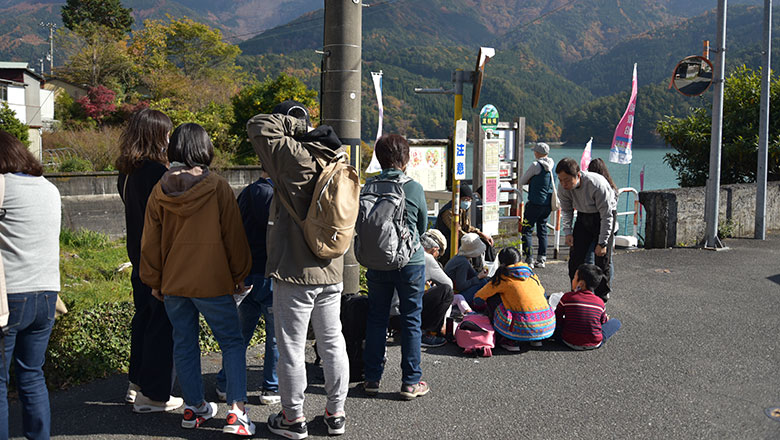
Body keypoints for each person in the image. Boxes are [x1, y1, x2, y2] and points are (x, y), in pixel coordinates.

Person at [140, 123, 255, 435]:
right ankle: (236, 412)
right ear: (204, 148)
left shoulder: (159, 189)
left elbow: (149, 241)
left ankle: (193, 408)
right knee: (231, 342)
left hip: (174, 284)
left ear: (175, 148)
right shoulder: (216, 186)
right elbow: (233, 235)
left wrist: (154, 280)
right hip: (213, 281)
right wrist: (239, 274)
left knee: (185, 343)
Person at [247, 100, 349, 438]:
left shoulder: (294, 156)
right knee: (332, 340)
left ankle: (293, 419)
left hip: (295, 269)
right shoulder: (337, 156)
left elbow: (257, 125)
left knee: (291, 345)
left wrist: (292, 126)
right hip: (332, 266)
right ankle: (336, 414)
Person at [115, 108, 182, 413]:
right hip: (159, 259)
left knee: (143, 319)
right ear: (157, 136)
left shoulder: (127, 173)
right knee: (161, 325)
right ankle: (156, 394)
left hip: (137, 256)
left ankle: (136, 383)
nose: (169, 138)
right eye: (166, 133)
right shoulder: (158, 174)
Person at [0, 130, 61, 440]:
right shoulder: (48, 189)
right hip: (47, 295)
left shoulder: (3, 187)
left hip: (8, 297)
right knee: (32, 375)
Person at [361, 134, 430, 401]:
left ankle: (371, 379)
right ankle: (411, 383)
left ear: (379, 158)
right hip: (409, 262)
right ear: (407, 158)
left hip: (377, 260)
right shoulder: (413, 188)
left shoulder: (369, 185)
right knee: (411, 319)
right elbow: (422, 227)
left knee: (376, 318)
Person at [215, 167, 280, 406]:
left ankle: (224, 384)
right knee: (275, 338)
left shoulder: (245, 194)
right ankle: (270, 389)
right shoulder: (278, 196)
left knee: (239, 337)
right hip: (271, 275)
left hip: (245, 277)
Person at [556, 157, 617, 301]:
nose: (563, 184)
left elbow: (607, 216)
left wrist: (602, 243)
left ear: (578, 175)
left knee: (602, 259)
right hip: (583, 216)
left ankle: (602, 296)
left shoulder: (596, 184)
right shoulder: (563, 188)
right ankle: (575, 291)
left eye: (567, 180)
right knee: (575, 258)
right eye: (560, 180)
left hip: (603, 216)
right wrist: (568, 232)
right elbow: (566, 210)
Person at [474, 247, 555, 351]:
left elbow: (478, 298)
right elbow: (543, 294)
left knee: (493, 298)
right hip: (546, 326)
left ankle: (509, 340)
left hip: (521, 327)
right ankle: (536, 340)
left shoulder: (503, 278)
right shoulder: (531, 274)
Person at [554, 264, 621, 350]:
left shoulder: (567, 297)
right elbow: (602, 322)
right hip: (594, 343)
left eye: (574, 277)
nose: (573, 280)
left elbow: (557, 319)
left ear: (581, 283)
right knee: (616, 322)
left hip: (567, 341)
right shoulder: (600, 302)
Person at [435, 182, 494, 266]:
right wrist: (473, 239)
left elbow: (467, 227)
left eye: (469, 200)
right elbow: (457, 231)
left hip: (460, 239)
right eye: (465, 199)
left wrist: (481, 234)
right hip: (449, 243)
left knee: (485, 242)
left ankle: (488, 266)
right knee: (474, 245)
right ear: (458, 199)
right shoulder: (448, 211)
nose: (467, 202)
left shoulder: (462, 209)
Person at [519, 142, 555, 268]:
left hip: (535, 203)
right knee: (542, 230)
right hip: (547, 204)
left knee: (527, 230)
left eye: (535, 151)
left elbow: (522, 181)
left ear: (538, 153)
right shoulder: (552, 165)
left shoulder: (535, 165)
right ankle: (542, 259)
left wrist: (531, 180)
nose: (534, 152)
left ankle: (529, 259)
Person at [585, 158, 619, 276]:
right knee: (607, 261)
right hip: (612, 227)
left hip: (599, 225)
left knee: (590, 258)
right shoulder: (612, 187)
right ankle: (606, 287)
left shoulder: (597, 187)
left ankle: (591, 285)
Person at [443, 233, 488, 314]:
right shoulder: (463, 262)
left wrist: (479, 275)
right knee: (483, 283)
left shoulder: (460, 257)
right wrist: (478, 277)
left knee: (485, 281)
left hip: (453, 292)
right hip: (454, 295)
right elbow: (461, 286)